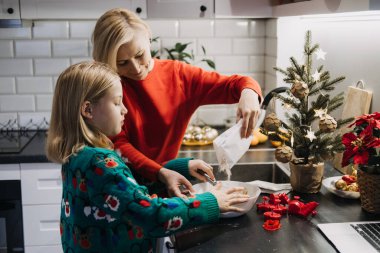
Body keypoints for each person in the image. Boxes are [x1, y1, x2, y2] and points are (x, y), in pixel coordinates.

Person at [45, 61, 249, 253]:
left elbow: (128, 192)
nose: (124, 110)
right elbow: (153, 216)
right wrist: (211, 201)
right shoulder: (98, 162)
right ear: (88, 109)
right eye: (117, 103)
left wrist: (177, 168)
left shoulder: (78, 156)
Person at [92, 8, 263, 198]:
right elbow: (118, 145)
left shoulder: (179, 76)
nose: (135, 68)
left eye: (139, 54)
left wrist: (249, 93)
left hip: (164, 186)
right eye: (122, 63)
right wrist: (162, 172)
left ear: (149, 38)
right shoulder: (107, 86)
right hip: (118, 191)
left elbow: (236, 84)